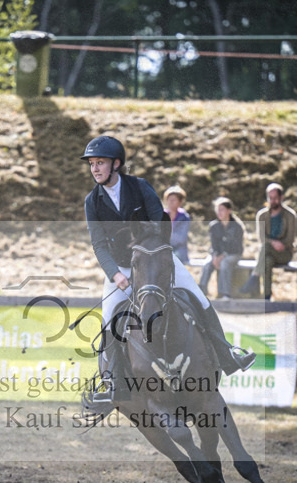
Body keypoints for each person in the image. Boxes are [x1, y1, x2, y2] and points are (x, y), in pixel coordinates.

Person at [80, 135, 255, 405]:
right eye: (91, 164)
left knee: (198, 297)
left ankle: (227, 353)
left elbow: (160, 225)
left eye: (100, 163)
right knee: (108, 320)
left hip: (155, 259)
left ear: (116, 164)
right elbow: (98, 244)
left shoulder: (139, 187)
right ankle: (111, 381)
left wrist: (149, 254)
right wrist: (115, 273)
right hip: (122, 268)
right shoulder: (92, 201)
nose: (94, 169)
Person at [239, 182, 297, 300]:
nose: (273, 201)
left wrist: (279, 244)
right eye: (270, 198)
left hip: (284, 252)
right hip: (267, 253)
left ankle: (254, 277)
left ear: (281, 197)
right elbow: (261, 237)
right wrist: (273, 242)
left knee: (266, 248)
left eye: (275, 198)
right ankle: (267, 296)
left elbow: (290, 239)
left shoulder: (290, 215)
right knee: (268, 261)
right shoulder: (262, 215)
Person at [198, 197, 244, 300]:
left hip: (234, 254)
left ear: (229, 210)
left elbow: (236, 246)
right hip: (217, 254)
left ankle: (225, 294)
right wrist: (214, 256)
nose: (219, 212)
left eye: (222, 209)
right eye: (217, 210)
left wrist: (223, 256)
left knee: (225, 263)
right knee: (207, 264)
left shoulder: (237, 226)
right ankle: (201, 292)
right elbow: (213, 245)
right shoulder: (213, 226)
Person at [162, 185, 191, 265]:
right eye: (169, 199)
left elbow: (181, 239)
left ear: (180, 202)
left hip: (179, 251)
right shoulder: (161, 215)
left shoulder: (184, 217)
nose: (170, 202)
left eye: (174, 200)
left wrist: (165, 236)